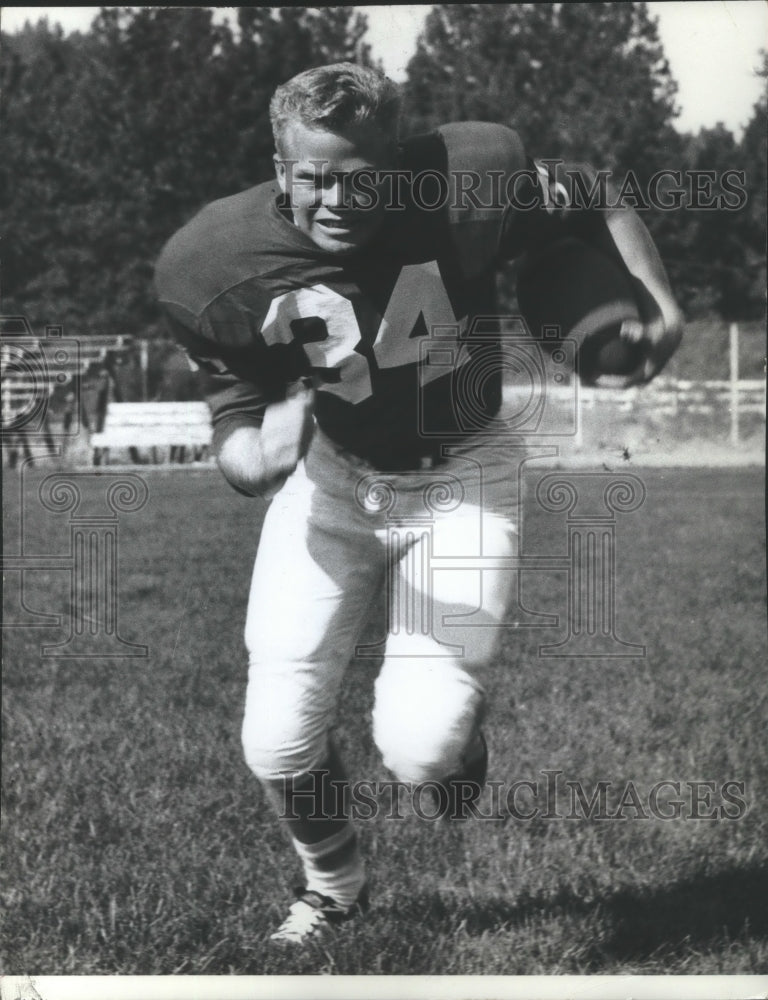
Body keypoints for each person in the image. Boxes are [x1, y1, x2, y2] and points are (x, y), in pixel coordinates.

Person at [155, 62, 682, 945]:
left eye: (359, 179)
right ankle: (335, 886)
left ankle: (459, 739)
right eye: (314, 177)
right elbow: (239, 449)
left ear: (396, 165)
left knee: (423, 748)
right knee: (276, 740)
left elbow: (596, 194)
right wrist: (264, 451)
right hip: (335, 475)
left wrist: (659, 305)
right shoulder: (212, 263)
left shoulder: (468, 181)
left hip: (463, 470)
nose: (335, 200)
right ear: (280, 167)